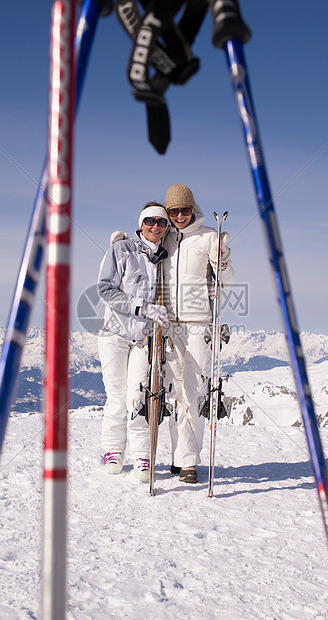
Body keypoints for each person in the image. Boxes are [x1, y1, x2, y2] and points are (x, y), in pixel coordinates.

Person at [162, 183, 234, 483]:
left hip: (197, 324)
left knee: (193, 391)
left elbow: (227, 282)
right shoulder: (164, 239)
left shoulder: (209, 238)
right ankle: (179, 456)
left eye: (185, 209)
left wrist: (222, 258)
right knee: (172, 392)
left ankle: (189, 462)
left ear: (194, 209)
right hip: (167, 323)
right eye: (174, 211)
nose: (180, 215)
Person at [97, 202, 169, 482]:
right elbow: (105, 289)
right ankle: (113, 450)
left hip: (143, 337)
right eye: (150, 221)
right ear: (140, 223)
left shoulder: (164, 256)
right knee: (116, 396)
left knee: (139, 396)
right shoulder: (120, 250)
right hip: (114, 332)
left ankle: (143, 454)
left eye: (161, 222)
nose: (155, 226)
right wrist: (141, 307)